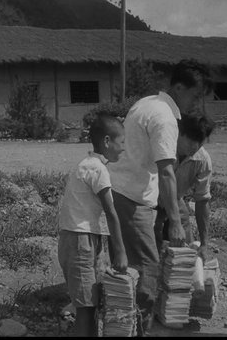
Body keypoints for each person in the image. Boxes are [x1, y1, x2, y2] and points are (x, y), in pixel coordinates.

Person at [107, 59, 214, 335]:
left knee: (128, 269)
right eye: (194, 95)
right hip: (133, 199)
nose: (195, 103)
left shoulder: (146, 103)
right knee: (147, 273)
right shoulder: (165, 117)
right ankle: (139, 329)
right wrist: (176, 222)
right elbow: (166, 172)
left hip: (121, 193)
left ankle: (120, 325)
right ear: (179, 87)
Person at [57, 113, 128, 337]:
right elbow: (111, 212)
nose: (124, 148)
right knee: (86, 308)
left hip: (79, 239)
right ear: (107, 141)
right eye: (122, 142)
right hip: (81, 242)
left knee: (89, 304)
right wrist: (121, 253)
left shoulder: (87, 165)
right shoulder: (98, 169)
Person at [154, 112, 215, 262]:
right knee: (152, 252)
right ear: (179, 133)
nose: (195, 146)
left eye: (199, 142)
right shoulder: (162, 148)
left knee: (185, 252)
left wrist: (204, 244)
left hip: (175, 200)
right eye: (191, 140)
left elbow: (202, 200)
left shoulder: (203, 160)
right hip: (149, 201)